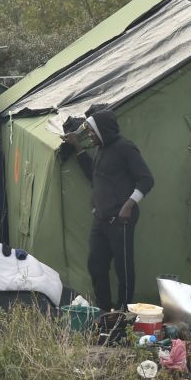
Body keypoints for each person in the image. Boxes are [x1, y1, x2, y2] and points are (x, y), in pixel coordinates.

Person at [63, 110, 154, 312]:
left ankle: (123, 312)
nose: (91, 136)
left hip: (120, 219)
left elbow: (146, 179)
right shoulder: (101, 150)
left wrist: (128, 205)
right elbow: (93, 176)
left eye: (93, 132)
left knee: (123, 268)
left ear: (103, 130)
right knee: (96, 265)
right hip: (101, 219)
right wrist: (77, 147)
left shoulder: (125, 149)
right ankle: (105, 311)